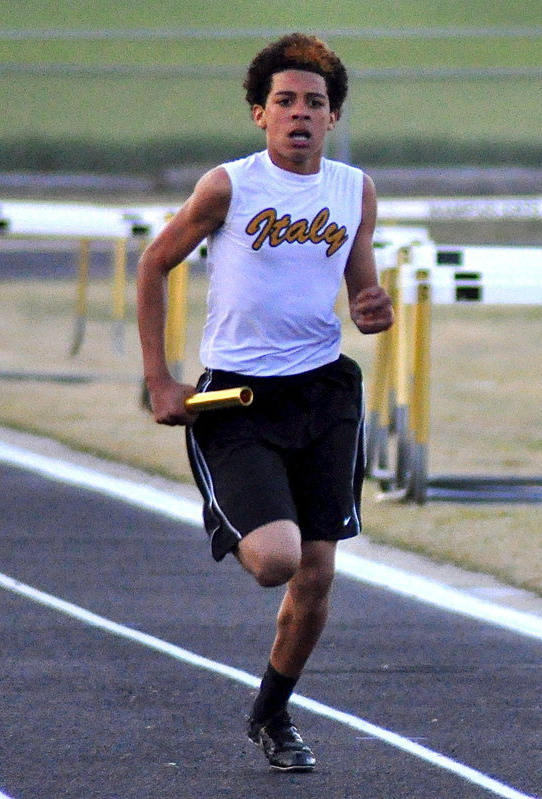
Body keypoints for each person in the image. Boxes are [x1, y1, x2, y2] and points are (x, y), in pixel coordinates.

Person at [136, 33, 393, 773]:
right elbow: (154, 264)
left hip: (324, 392)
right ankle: (235, 506)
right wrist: (161, 380)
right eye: (285, 101)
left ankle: (272, 714)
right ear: (260, 113)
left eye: (315, 102)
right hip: (237, 397)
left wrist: (373, 307)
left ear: (333, 116)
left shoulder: (353, 190)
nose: (300, 113)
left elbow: (363, 294)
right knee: (276, 560)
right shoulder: (229, 187)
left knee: (317, 574)